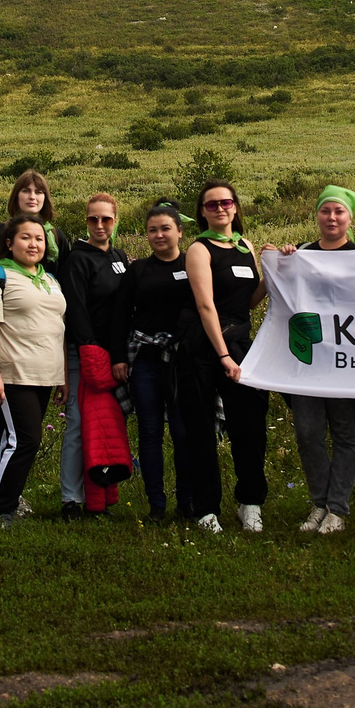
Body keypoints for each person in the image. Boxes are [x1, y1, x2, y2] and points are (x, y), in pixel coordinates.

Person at [266, 185, 355, 536]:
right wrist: (279, 258)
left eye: (339, 212)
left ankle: (337, 509)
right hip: (307, 363)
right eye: (326, 211)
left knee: (345, 434)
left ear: (349, 218)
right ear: (317, 216)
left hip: (347, 360)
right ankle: (319, 503)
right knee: (308, 433)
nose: (332, 218)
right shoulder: (303, 253)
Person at [181, 178, 270, 534]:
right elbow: (206, 306)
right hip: (203, 348)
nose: (220, 209)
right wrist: (222, 356)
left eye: (225, 202)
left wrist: (274, 271)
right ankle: (206, 509)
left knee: (250, 425)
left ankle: (250, 503)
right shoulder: (199, 250)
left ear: (236, 206)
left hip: (240, 346)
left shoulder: (245, 246)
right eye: (211, 204)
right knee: (200, 428)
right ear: (202, 213)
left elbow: (248, 301)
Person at [0, 212, 68, 525]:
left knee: (11, 440)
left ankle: (7, 501)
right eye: (26, 237)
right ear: (10, 243)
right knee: (24, 439)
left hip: (45, 373)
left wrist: (63, 375)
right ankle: (2, 507)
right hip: (12, 372)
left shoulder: (50, 279)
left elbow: (59, 326)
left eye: (39, 238)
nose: (34, 244)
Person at [60, 193, 134, 518]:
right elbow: (75, 309)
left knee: (107, 425)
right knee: (77, 423)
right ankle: (71, 498)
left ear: (116, 221)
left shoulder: (119, 257)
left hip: (116, 354)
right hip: (85, 354)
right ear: (86, 221)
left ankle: (102, 493)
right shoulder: (78, 259)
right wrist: (90, 349)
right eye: (94, 219)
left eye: (106, 219)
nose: (100, 225)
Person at [125, 203, 195, 521]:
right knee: (150, 431)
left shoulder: (195, 265)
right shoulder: (138, 270)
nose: (159, 235)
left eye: (165, 228)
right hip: (146, 363)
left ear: (180, 231)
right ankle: (157, 504)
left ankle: (187, 501)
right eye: (152, 229)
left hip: (183, 361)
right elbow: (120, 316)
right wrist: (117, 358)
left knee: (183, 432)